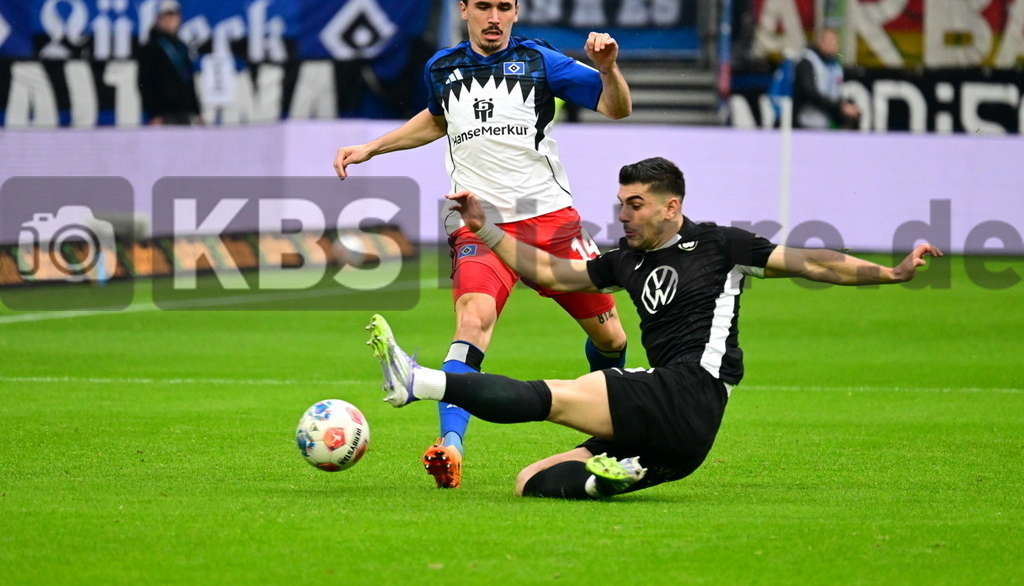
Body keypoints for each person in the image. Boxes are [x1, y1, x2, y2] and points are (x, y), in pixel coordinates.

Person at [366, 157, 943, 499]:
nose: (623, 214)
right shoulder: (625, 260)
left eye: (636, 204)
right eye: (620, 203)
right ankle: (613, 476)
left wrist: (892, 273)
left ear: (672, 207)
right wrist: (487, 230)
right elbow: (549, 271)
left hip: (690, 389)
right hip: (682, 444)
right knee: (530, 482)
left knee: (553, 397)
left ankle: (417, 382)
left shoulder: (722, 244)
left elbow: (815, 262)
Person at [334, 0, 633, 489]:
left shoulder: (541, 62)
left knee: (610, 337)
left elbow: (617, 108)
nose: (494, 18)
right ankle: (449, 445)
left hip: (550, 221)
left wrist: (607, 69)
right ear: (464, 10)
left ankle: (610, 424)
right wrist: (372, 147)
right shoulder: (442, 68)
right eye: (484, 7)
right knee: (472, 322)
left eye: (503, 7)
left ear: (516, 12)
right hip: (478, 221)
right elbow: (436, 119)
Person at [137, 0, 202, 126]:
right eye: (165, 17)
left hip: (184, 111)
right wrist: (154, 113)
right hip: (163, 113)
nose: (170, 21)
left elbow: (189, 81)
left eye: (173, 16)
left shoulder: (182, 46)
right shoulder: (150, 47)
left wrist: (197, 111)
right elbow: (144, 83)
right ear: (158, 19)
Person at [792, 28, 860, 130]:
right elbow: (809, 92)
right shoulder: (807, 62)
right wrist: (839, 107)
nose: (831, 45)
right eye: (828, 41)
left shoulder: (835, 66)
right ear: (820, 42)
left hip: (826, 123)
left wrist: (844, 108)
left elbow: (835, 93)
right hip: (805, 123)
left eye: (834, 42)